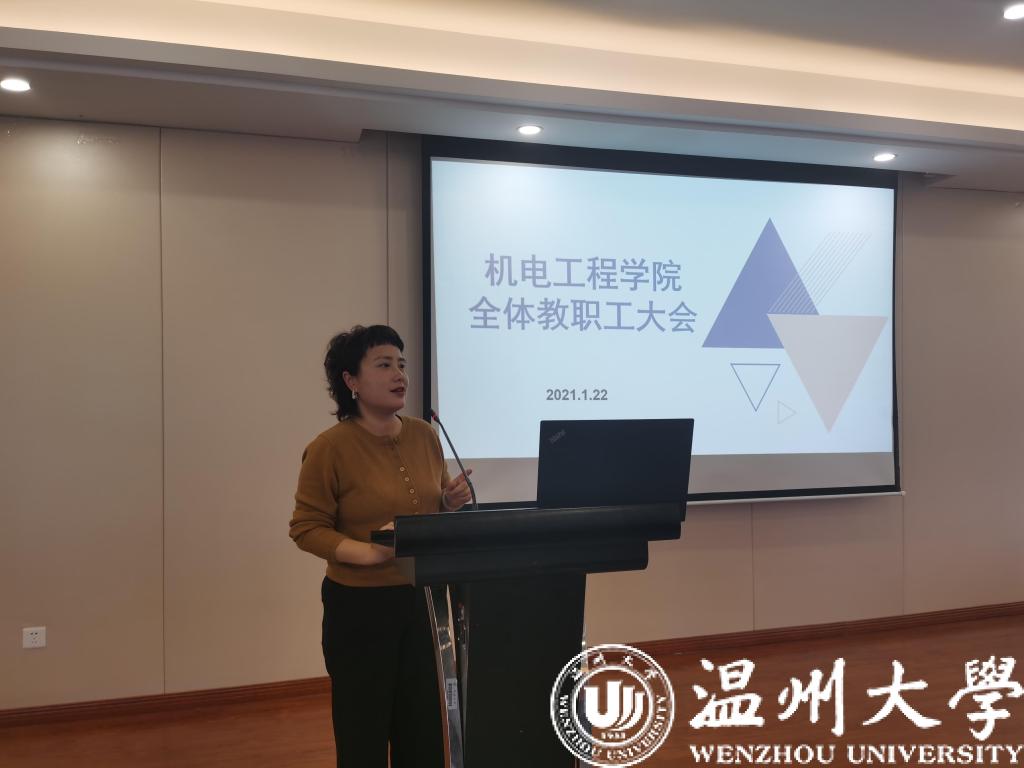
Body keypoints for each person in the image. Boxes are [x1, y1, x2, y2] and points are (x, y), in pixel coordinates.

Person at [289, 324, 472, 768]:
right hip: (360, 608)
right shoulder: (329, 448)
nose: (400, 375)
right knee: (363, 734)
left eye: (402, 365)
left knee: (423, 732)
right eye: (384, 364)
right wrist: (368, 552)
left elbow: (428, 506)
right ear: (351, 380)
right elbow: (306, 527)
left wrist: (447, 502)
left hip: (424, 602)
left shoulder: (424, 435)